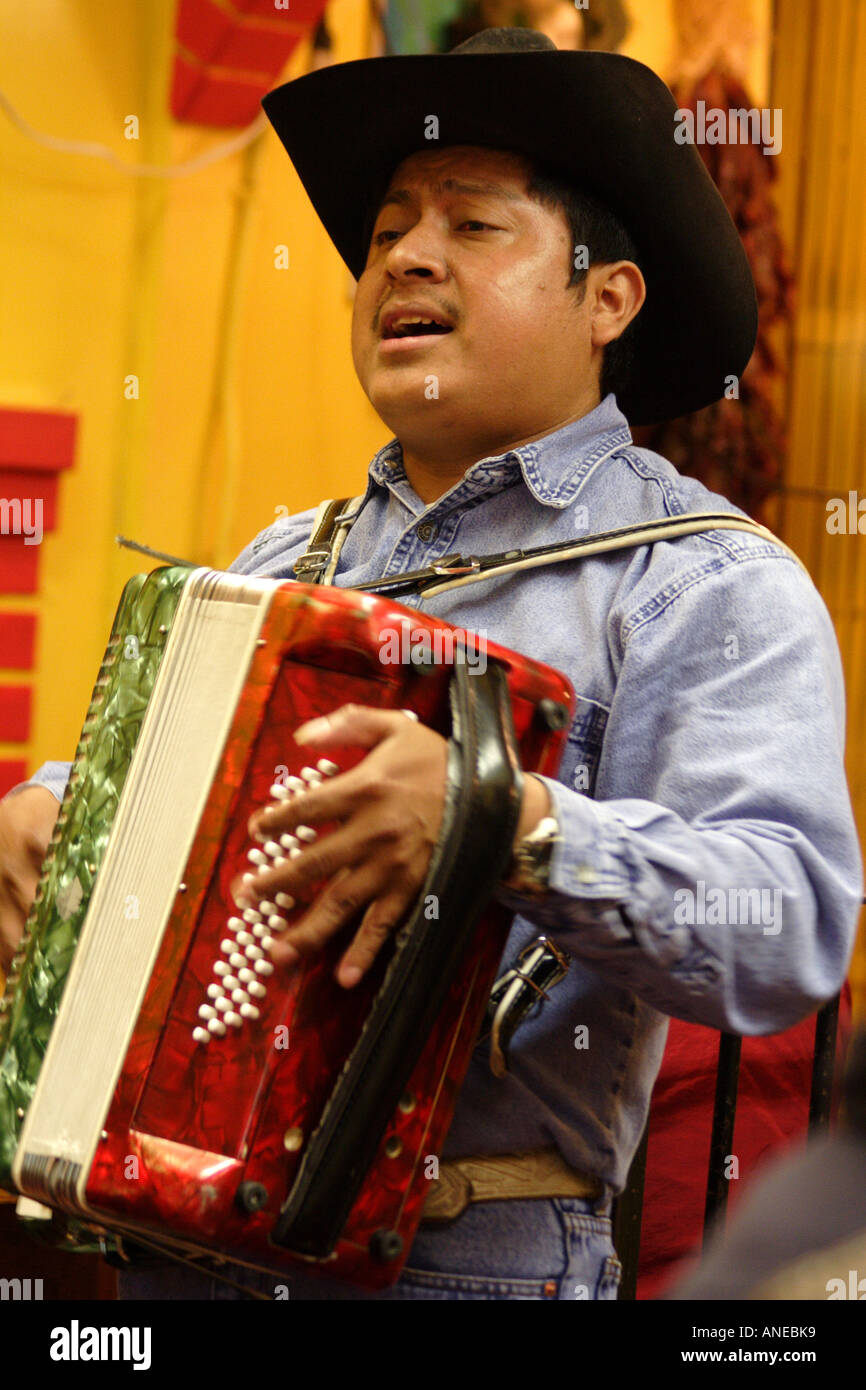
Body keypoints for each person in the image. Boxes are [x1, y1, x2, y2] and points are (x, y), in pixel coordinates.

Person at [0, 28, 861, 1301]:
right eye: (391, 226)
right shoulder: (286, 555)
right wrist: (46, 813)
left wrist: (495, 820)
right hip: (173, 1247)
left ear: (605, 296)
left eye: (471, 223)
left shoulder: (703, 582)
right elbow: (183, 808)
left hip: (467, 1269)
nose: (402, 253)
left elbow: (789, 922)